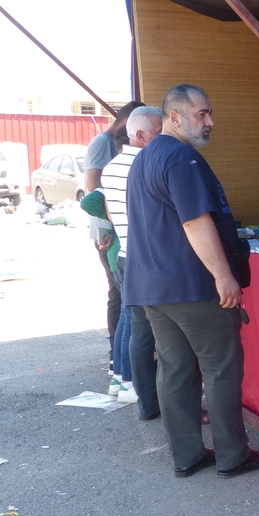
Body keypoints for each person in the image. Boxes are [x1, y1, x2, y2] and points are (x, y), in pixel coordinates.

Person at [124, 84, 259, 479]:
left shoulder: (147, 156)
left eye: (209, 114)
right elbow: (194, 221)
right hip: (191, 287)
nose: (210, 122)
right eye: (201, 114)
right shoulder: (181, 157)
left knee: (174, 371)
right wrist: (223, 275)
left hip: (153, 289)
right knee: (221, 369)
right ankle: (232, 455)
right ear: (175, 118)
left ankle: (188, 455)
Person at [101, 106, 164, 419]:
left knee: (140, 334)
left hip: (127, 255)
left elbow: (111, 213)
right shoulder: (144, 164)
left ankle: (146, 403)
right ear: (140, 135)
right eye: (158, 132)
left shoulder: (111, 167)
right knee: (167, 338)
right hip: (151, 259)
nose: (164, 138)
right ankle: (166, 401)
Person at [85, 101, 144, 368]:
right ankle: (117, 360)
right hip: (111, 234)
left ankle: (121, 365)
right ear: (128, 121)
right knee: (121, 300)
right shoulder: (103, 143)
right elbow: (93, 188)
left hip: (118, 232)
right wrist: (107, 229)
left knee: (124, 303)